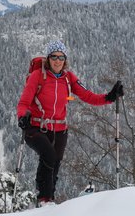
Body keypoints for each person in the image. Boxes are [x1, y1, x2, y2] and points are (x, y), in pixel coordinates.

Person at [17, 40, 123, 207]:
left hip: (60, 128)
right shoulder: (37, 76)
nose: (57, 61)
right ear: (48, 58)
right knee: (49, 156)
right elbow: (23, 103)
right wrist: (22, 117)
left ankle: (48, 199)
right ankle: (44, 199)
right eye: (54, 57)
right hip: (35, 127)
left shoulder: (68, 78)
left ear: (65, 59)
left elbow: (88, 96)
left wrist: (109, 97)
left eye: (61, 57)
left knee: (55, 162)